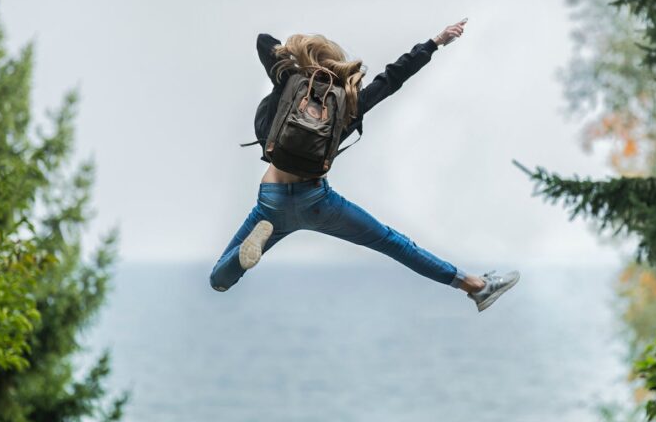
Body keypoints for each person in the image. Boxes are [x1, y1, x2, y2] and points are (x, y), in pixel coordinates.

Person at [209, 18, 520, 312]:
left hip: (272, 200)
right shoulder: (348, 102)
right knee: (394, 243)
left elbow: (264, 41)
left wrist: (297, 61)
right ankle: (476, 287)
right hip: (317, 201)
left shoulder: (289, 82)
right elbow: (392, 78)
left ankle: (243, 255)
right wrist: (435, 42)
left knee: (219, 280)